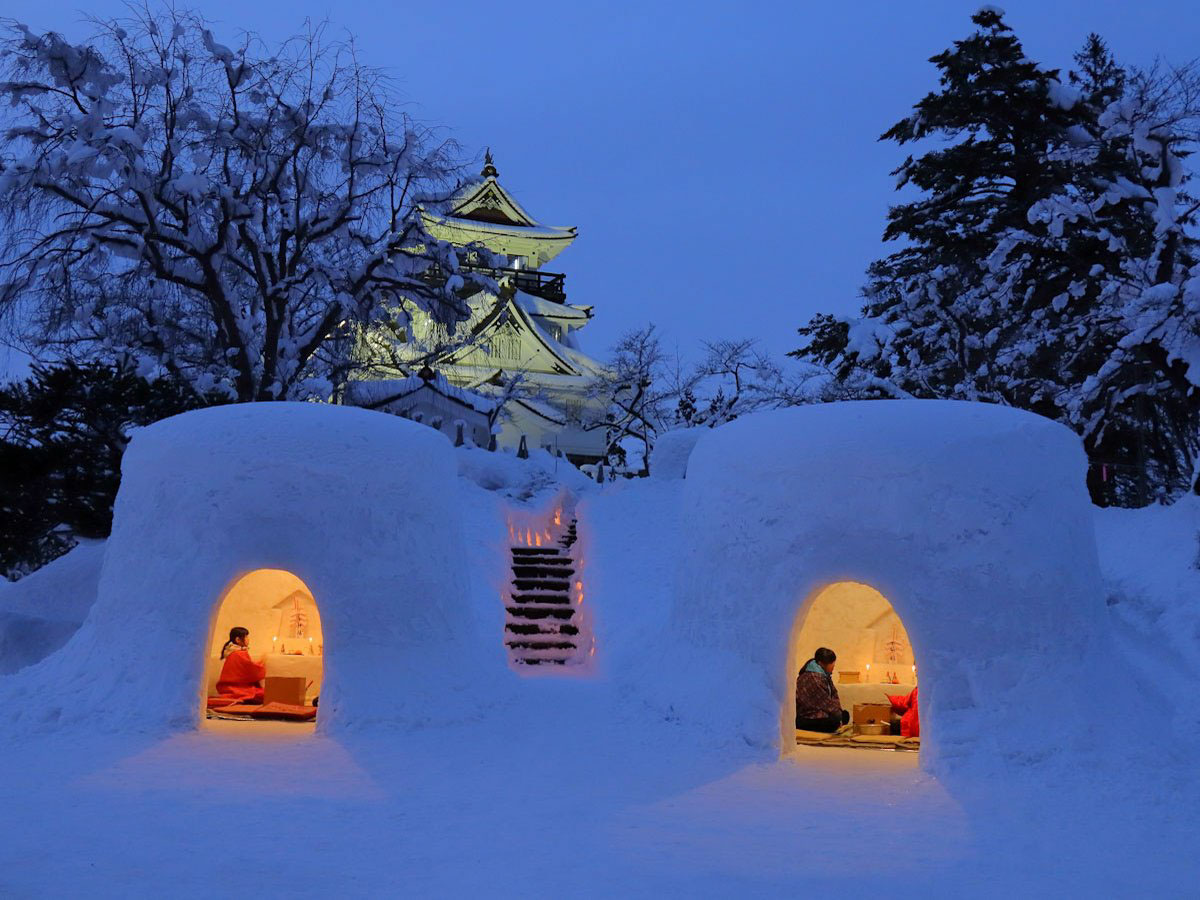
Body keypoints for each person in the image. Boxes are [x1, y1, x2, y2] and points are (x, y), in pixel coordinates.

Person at [795, 647, 849, 732]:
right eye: (831, 663)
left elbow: (834, 694)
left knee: (844, 715)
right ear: (821, 663)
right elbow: (824, 703)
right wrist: (838, 714)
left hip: (822, 712)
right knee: (834, 721)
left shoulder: (823, 675)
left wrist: (839, 712)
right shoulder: (813, 678)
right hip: (808, 716)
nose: (833, 666)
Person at [215, 627, 267, 703]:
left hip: (228, 687)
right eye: (246, 637)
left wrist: (259, 663)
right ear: (238, 640)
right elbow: (251, 670)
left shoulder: (233, 652)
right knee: (264, 694)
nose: (248, 639)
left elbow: (248, 666)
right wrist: (262, 662)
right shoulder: (239, 653)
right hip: (236, 688)